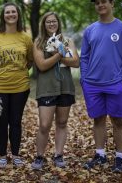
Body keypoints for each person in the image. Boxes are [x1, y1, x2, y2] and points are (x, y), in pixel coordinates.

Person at [80, 0, 122, 172]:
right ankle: (100, 155)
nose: (100, 5)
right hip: (92, 84)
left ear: (112, 4)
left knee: (118, 121)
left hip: (115, 83)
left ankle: (120, 159)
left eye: (104, 2)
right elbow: (85, 57)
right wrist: (84, 78)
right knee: (98, 120)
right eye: (97, 3)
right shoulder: (90, 30)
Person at [0, 2, 33, 168]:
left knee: (16, 122)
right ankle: (2, 155)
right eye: (7, 12)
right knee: (1, 122)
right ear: (3, 16)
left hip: (20, 87)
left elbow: (29, 61)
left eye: (13, 12)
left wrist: (17, 72)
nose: (11, 14)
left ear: (18, 15)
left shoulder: (25, 37)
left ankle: (16, 155)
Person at [31, 12, 79, 170]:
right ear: (43, 25)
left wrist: (57, 54)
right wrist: (60, 54)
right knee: (44, 125)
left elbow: (76, 62)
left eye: (54, 21)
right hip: (46, 88)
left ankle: (58, 155)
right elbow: (42, 65)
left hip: (65, 87)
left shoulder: (67, 41)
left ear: (58, 23)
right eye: (48, 22)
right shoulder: (38, 42)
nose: (51, 24)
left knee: (62, 122)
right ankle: (39, 156)